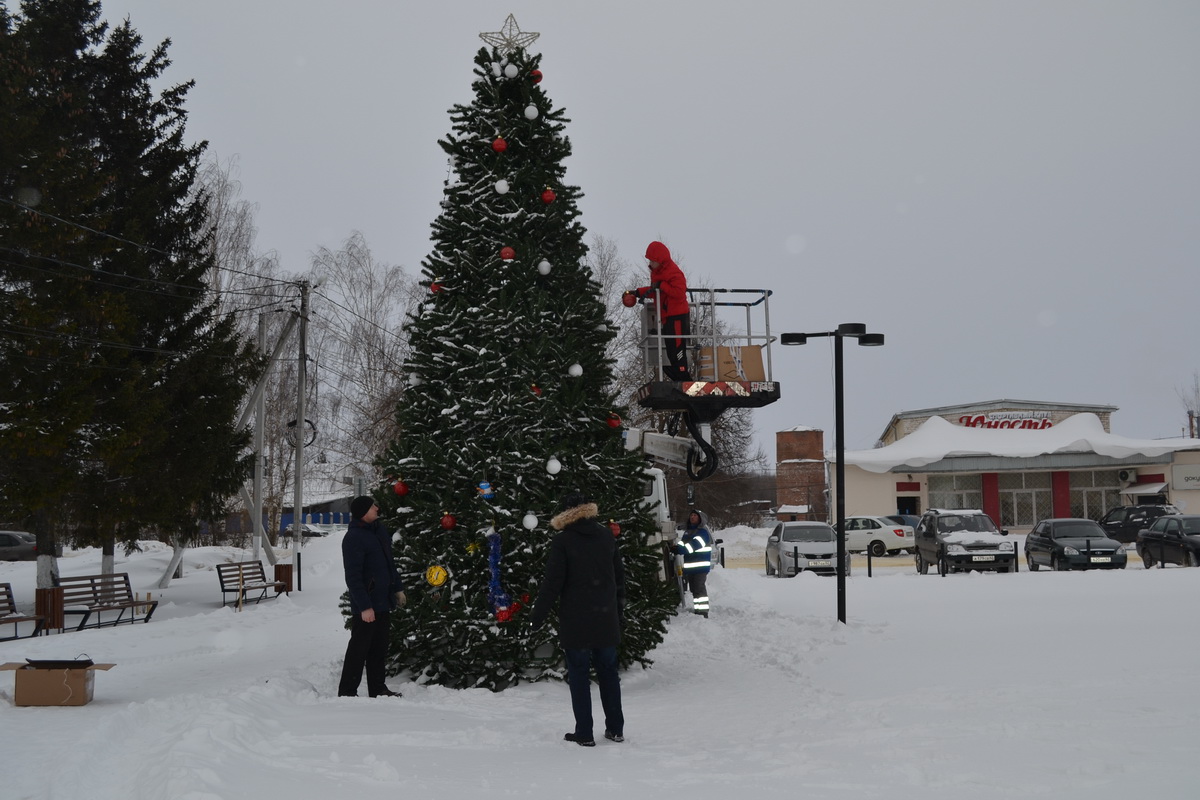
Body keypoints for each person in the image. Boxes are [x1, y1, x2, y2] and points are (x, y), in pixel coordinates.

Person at [531, 490, 626, 747]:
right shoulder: (606, 536)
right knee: (608, 673)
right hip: (605, 618)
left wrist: (537, 615)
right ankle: (615, 729)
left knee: (579, 675)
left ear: (566, 513)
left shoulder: (563, 541)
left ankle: (584, 732)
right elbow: (619, 579)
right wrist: (619, 611)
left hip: (576, 620)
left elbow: (552, 584)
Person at [338, 495, 406, 698]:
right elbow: (353, 576)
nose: (377, 508)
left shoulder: (379, 531)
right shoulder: (354, 537)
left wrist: (397, 588)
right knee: (359, 650)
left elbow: (389, 564)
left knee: (379, 648)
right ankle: (347, 691)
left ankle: (378, 689)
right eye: (373, 506)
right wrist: (364, 606)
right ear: (363, 512)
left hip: (383, 600)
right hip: (366, 605)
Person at [627, 240, 691, 381]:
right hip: (667, 317)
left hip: (677, 316)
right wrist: (636, 292)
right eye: (649, 260)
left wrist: (663, 285)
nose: (650, 264)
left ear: (661, 260)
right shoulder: (657, 273)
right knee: (670, 349)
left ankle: (683, 377)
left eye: (652, 260)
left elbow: (679, 292)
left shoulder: (673, 272)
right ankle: (678, 376)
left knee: (677, 349)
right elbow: (655, 290)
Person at [675, 509, 714, 617]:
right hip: (691, 567)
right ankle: (698, 609)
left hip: (700, 567)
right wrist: (676, 547)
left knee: (699, 588)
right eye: (691, 515)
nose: (692, 517)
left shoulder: (702, 532)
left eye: (695, 516)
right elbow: (683, 544)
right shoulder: (687, 532)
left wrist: (679, 550)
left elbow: (694, 545)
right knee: (694, 589)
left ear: (700, 518)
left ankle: (703, 611)